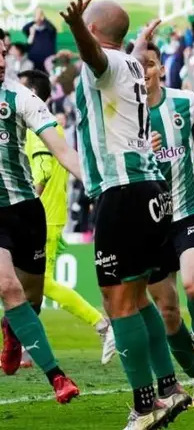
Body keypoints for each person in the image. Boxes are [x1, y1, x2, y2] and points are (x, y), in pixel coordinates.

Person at [61, 0, 190, 427]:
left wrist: (78, 26)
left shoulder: (106, 63)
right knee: (137, 298)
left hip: (124, 193)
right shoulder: (133, 67)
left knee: (118, 306)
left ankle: (144, 405)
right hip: (151, 191)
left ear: (94, 27)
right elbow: (121, 57)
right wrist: (143, 41)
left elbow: (93, 55)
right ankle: (168, 389)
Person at [131, 40, 194, 408]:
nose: (144, 73)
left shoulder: (184, 101)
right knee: (168, 314)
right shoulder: (123, 112)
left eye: (150, 65)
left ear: (160, 69)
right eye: (137, 67)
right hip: (149, 221)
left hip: (188, 210)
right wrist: (139, 151)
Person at [0, 28, 81, 403]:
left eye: (4, 53)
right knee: (9, 288)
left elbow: (61, 150)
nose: (3, 62)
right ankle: (57, 377)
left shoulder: (20, 97)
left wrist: (96, 182)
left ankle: (13, 329)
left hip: (26, 211)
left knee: (30, 300)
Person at [17, 70, 116, 368]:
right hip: (50, 215)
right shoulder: (52, 127)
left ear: (32, 94)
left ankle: (101, 324)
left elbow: (43, 172)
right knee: (24, 286)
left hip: (40, 218)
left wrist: (24, 207)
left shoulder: (35, 127)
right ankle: (24, 348)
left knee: (40, 284)